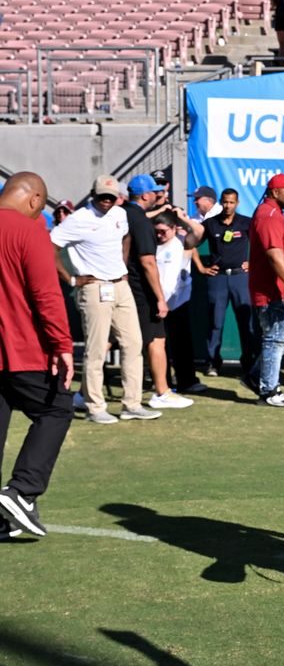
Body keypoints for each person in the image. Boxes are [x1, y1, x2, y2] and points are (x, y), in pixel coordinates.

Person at [0, 173, 75, 539]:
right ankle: (22, 492)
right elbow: (47, 294)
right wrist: (62, 345)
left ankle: (6, 514)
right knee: (57, 407)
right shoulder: (30, 232)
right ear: (34, 201)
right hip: (21, 349)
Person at [51, 176, 159, 424]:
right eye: (103, 196)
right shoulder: (78, 219)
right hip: (93, 287)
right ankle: (94, 406)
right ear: (93, 194)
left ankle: (131, 405)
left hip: (121, 285)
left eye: (111, 197)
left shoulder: (120, 214)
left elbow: (126, 237)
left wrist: (121, 263)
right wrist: (70, 279)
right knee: (96, 349)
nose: (107, 201)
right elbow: (51, 246)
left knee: (133, 343)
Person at [127, 175, 197, 412]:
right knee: (154, 341)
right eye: (155, 191)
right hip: (145, 294)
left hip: (155, 296)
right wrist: (159, 298)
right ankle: (162, 392)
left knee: (124, 340)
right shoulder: (141, 221)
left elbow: (196, 234)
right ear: (145, 195)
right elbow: (147, 263)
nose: (159, 195)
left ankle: (86, 392)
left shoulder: (128, 215)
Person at [247, 174, 284, 408]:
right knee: (275, 340)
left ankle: (256, 374)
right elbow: (273, 253)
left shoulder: (276, 214)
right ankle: (269, 390)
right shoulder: (269, 214)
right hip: (275, 291)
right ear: (274, 192)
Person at [196, 189, 254, 379]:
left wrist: (253, 262)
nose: (228, 206)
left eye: (232, 202)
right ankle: (213, 362)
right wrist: (201, 268)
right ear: (221, 202)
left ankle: (248, 362)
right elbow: (190, 244)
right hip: (217, 278)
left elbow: (262, 243)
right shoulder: (210, 224)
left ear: (237, 203)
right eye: (225, 202)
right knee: (215, 322)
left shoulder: (246, 223)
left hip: (240, 278)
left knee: (246, 322)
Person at [153, 211, 204, 397]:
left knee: (182, 344)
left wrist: (181, 218)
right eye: (157, 231)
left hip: (178, 303)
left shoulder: (182, 242)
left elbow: (199, 230)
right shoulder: (151, 245)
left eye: (163, 231)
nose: (160, 235)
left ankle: (187, 381)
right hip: (157, 303)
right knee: (159, 346)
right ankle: (161, 383)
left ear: (174, 229)